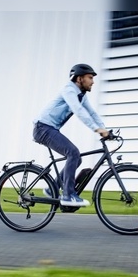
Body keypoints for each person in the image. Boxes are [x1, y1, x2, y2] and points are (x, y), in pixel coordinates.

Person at [33, 64, 109, 207]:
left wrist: (104, 129)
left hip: (50, 128)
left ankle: (52, 188)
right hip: (43, 128)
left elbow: (92, 113)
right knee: (73, 153)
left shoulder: (81, 94)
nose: (93, 81)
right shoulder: (69, 90)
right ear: (80, 78)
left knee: (76, 158)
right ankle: (68, 195)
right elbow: (78, 110)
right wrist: (96, 129)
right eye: (90, 78)